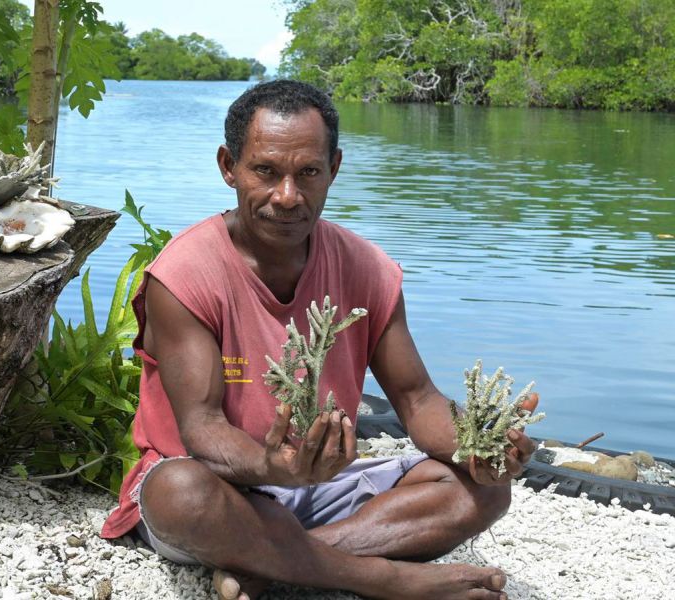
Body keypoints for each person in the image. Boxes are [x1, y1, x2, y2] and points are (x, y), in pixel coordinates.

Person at [101, 80, 540, 600]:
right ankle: (384, 580)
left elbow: (417, 399)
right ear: (228, 167)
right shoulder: (184, 275)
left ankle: (272, 564)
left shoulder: (368, 271)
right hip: (223, 486)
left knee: (482, 493)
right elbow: (202, 429)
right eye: (265, 171)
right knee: (180, 494)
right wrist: (273, 468)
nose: (287, 196)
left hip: (317, 483)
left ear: (333, 168)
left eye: (307, 172)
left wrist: (480, 448)